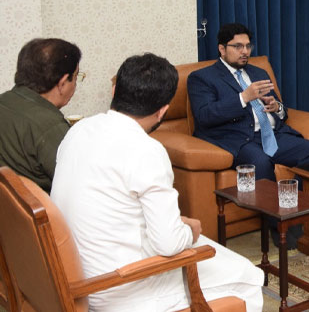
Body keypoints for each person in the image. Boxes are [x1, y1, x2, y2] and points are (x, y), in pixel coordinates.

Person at [51, 53, 263, 312]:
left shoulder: (79, 129)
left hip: (78, 271)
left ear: (115, 89)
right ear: (163, 110)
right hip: (121, 288)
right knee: (248, 276)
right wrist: (190, 230)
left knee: (218, 254)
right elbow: (169, 244)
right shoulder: (147, 150)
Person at [188, 23, 309, 182]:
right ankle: (272, 206)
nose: (245, 51)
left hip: (273, 135)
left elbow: (282, 110)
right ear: (222, 49)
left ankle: (294, 198)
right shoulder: (202, 77)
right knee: (261, 163)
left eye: (248, 46)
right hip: (239, 139)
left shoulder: (258, 72)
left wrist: (277, 107)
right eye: (238, 46)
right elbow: (205, 115)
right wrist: (244, 97)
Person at [0, 38, 82, 193]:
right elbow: (81, 188)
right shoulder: (50, 127)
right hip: (44, 212)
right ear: (62, 82)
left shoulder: (3, 102)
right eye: (76, 76)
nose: (75, 84)